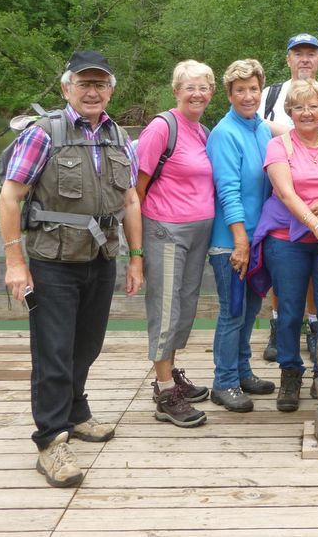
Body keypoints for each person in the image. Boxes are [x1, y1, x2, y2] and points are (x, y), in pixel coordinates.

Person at [0, 50, 143, 488]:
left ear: (111, 90)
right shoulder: (44, 134)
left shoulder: (118, 136)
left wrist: (135, 258)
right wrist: (15, 261)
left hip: (101, 259)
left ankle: (77, 413)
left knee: (88, 345)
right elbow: (10, 198)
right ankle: (50, 440)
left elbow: (131, 201)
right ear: (66, 89)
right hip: (52, 262)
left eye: (100, 84)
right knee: (54, 353)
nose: (93, 91)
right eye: (84, 83)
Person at [260, 79, 318, 411]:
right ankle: (290, 372)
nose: (306, 113)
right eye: (299, 107)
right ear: (289, 110)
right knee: (289, 311)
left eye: (313, 106)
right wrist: (313, 222)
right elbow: (286, 194)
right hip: (287, 238)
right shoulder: (279, 146)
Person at [136, 60, 215, 428]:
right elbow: (135, 190)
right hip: (165, 230)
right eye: (190, 87)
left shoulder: (201, 130)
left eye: (204, 87)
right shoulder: (160, 128)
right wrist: (134, 251)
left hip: (199, 231)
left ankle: (170, 373)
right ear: (176, 91)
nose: (197, 94)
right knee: (166, 309)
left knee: (184, 306)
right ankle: (165, 391)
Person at [258, 33, 318, 363]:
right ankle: (280, 325)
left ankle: (312, 327)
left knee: (315, 270)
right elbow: (256, 125)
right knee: (284, 266)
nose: (304, 59)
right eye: (298, 54)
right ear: (288, 59)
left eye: (311, 54)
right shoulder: (271, 94)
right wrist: (294, 135)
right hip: (280, 183)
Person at [206, 59, 276, 413]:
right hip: (231, 241)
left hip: (256, 237)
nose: (248, 96)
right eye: (240, 90)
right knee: (232, 311)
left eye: (253, 89)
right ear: (229, 94)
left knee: (250, 310)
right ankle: (224, 381)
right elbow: (227, 192)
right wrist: (240, 242)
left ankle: (243, 370)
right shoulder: (224, 134)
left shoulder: (260, 128)